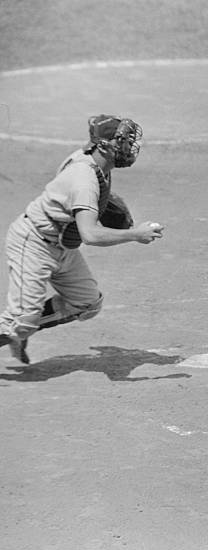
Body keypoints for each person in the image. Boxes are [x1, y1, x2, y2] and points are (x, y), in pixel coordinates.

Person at [0, 114, 164, 364]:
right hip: (32, 243)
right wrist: (135, 234)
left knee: (87, 303)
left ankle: (23, 329)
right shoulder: (84, 179)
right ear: (104, 145)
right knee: (21, 322)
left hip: (62, 246)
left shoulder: (93, 163)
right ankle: (21, 326)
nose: (129, 147)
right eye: (123, 141)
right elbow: (90, 234)